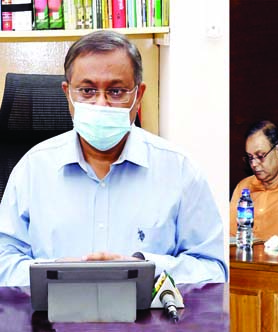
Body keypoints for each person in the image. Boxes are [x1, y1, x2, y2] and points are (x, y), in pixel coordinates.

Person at [0, 31, 225, 286]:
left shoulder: (180, 170)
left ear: (138, 96)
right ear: (68, 93)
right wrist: (58, 273)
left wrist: (146, 269)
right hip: (53, 324)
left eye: (116, 92)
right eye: (87, 90)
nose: (101, 104)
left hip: (148, 324)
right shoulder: (32, 169)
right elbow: (3, 263)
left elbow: (214, 270)